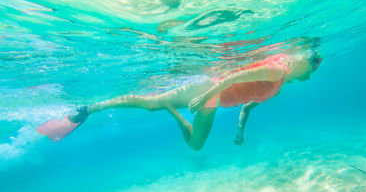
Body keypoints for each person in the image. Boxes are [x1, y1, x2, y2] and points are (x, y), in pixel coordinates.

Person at [37, 39, 322, 150]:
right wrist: (205, 95)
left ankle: (168, 109)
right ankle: (89, 109)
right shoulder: (276, 70)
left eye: (314, 65)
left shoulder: (280, 82)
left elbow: (247, 107)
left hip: (213, 97)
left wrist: (240, 132)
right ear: (301, 61)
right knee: (151, 104)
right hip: (210, 89)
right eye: (312, 63)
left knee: (195, 143)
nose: (312, 70)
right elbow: (234, 76)